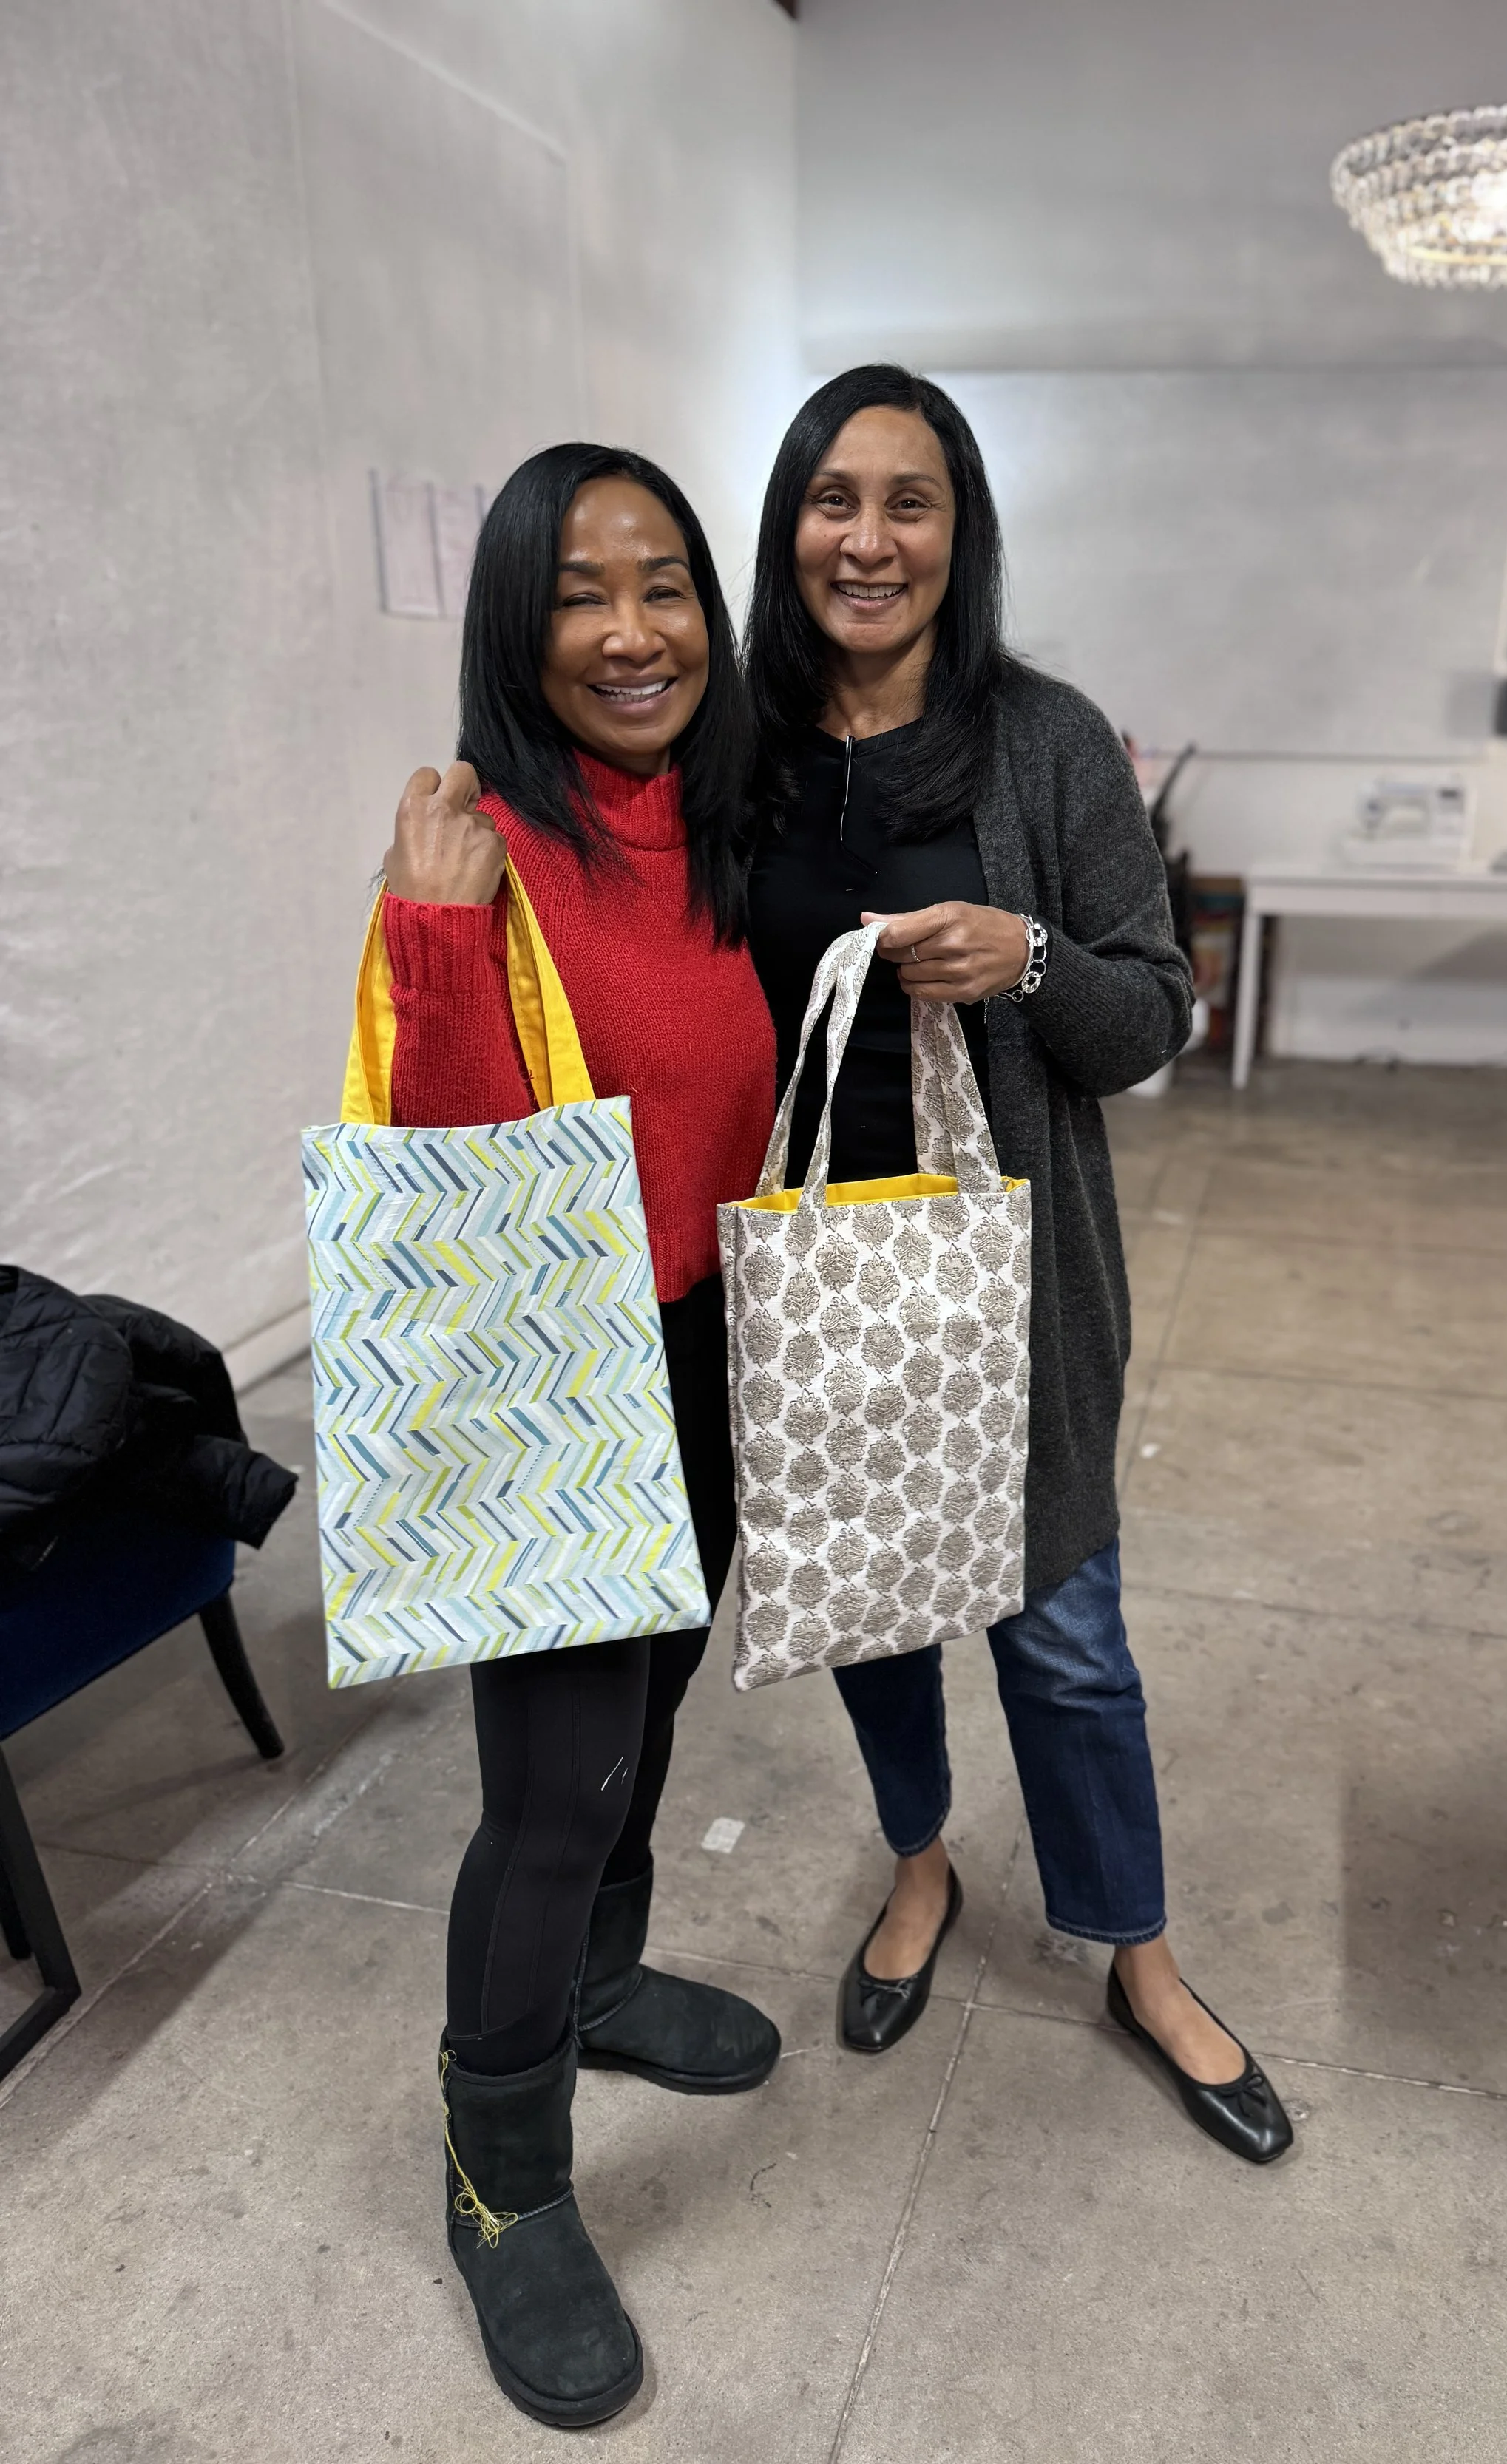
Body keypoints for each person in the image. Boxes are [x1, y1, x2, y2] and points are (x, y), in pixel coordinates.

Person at [745, 367, 1293, 2168]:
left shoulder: (1044, 739)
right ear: (789, 522)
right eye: (835, 497)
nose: (868, 538)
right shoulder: (739, 745)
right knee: (872, 1612)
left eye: (910, 501)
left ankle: (1133, 1947)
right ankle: (919, 1866)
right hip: (818, 1273)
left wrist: (1033, 960)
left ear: (958, 530)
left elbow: (1151, 1016)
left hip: (1013, 1277)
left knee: (1063, 1640)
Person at [378, 443, 781, 2429]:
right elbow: (442, 1184)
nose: (631, 633)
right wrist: (439, 949)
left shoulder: (707, 824)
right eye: (578, 596)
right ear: (515, 628)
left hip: (705, 1354)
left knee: (655, 1721)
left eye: (664, 587)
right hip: (552, 1376)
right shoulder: (473, 847)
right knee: (549, 1788)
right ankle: (500, 2177)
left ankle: (602, 1984)